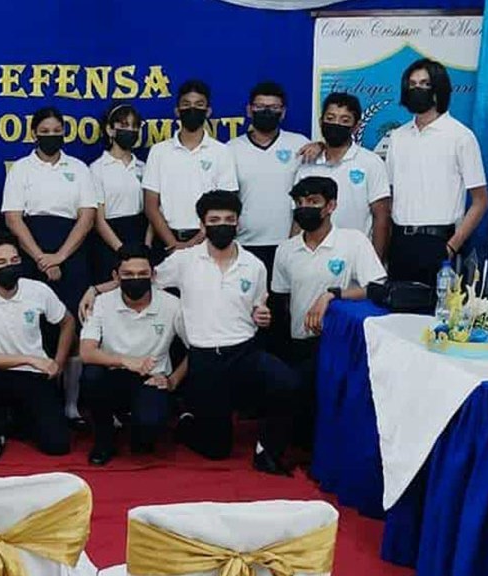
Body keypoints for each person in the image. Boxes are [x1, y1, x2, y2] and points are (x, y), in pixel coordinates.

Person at [81, 191, 299, 474]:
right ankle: (186, 423)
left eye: (229, 219)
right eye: (214, 220)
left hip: (245, 352)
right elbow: (143, 276)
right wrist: (95, 289)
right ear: (202, 224)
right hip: (206, 359)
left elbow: (258, 308)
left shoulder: (254, 266)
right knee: (217, 449)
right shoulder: (184, 261)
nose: (222, 225)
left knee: (288, 383)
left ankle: (267, 449)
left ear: (238, 222)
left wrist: (262, 316)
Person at [270, 176, 386, 454]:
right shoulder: (286, 250)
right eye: (300, 202)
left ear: (331, 206)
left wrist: (333, 295)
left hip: (339, 343)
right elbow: (281, 299)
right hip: (298, 341)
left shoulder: (353, 241)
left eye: (313, 202)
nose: (305, 208)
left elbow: (377, 288)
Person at [0, 231, 76, 461]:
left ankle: (19, 421)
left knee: (57, 445)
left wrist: (59, 362)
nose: (9, 267)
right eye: (1, 262)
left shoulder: (38, 290)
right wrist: (29, 359)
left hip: (34, 375)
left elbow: (68, 322)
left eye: (14, 260)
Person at [79, 243, 188, 466]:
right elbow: (86, 352)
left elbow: (196, 348)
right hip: (112, 373)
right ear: (116, 276)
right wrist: (125, 361)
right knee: (91, 376)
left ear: (153, 275)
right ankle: (104, 437)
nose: (135, 279)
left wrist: (173, 380)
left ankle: (137, 422)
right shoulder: (102, 303)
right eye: (128, 274)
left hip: (151, 378)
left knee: (146, 438)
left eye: (142, 274)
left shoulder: (172, 305)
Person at [386, 58, 488, 285]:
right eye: (412, 84)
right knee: (396, 305)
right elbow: (390, 194)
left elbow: (480, 201)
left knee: (439, 307)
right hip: (400, 243)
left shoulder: (460, 136)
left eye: (425, 84)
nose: (417, 89)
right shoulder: (397, 137)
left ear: (438, 90)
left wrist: (451, 246)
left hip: (440, 242)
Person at [2, 106, 97, 315]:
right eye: (45, 131)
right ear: (34, 133)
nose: (51, 135)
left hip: (71, 250)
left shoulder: (79, 168)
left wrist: (60, 256)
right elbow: (13, 219)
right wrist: (42, 259)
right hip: (32, 250)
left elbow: (87, 217)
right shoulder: (20, 168)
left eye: (56, 131)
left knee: (73, 312)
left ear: (64, 132)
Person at [228, 81, 310, 286]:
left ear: (283, 112)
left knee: (283, 302)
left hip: (289, 243)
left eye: (273, 107)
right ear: (249, 110)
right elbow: (227, 200)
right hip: (244, 244)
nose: (267, 112)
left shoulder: (299, 144)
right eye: (260, 107)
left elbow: (307, 196)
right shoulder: (231, 149)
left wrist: (321, 145)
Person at [143, 80, 238, 255]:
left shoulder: (222, 152)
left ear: (208, 111)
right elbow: (151, 206)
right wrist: (173, 244)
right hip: (165, 240)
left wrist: (196, 242)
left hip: (208, 239)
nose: (192, 109)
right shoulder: (159, 151)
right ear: (177, 111)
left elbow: (227, 203)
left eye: (199, 105)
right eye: (186, 104)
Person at [296, 92, 391, 259]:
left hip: (356, 257)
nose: (336, 124)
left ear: (356, 126)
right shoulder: (307, 163)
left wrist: (376, 261)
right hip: (311, 256)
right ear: (321, 122)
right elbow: (297, 216)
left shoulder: (371, 162)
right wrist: (293, 255)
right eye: (330, 118)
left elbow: (381, 216)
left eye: (344, 120)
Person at [89, 103, 149, 282]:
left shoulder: (144, 167)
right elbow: (98, 219)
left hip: (140, 236)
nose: (130, 131)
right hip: (109, 241)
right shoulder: (97, 169)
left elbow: (152, 209)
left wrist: (146, 245)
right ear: (110, 130)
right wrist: (120, 249)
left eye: (134, 126)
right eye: (124, 125)